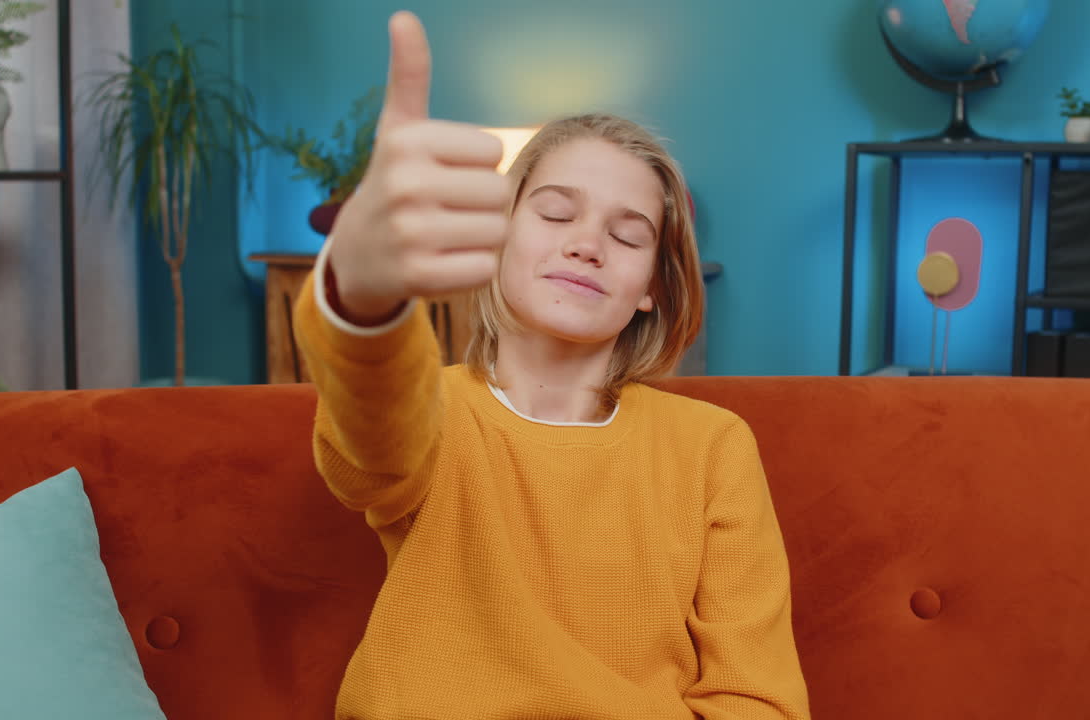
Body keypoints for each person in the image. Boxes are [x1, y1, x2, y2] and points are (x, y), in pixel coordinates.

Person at [293, 10, 810, 719]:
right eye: (556, 213)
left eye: (628, 235)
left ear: (653, 289)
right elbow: (366, 444)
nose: (587, 244)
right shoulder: (430, 415)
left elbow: (759, 701)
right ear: (498, 236)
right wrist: (363, 295)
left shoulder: (712, 449)